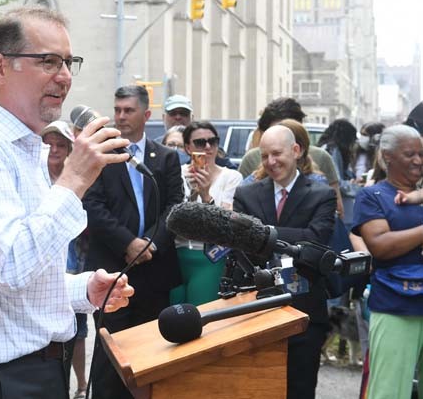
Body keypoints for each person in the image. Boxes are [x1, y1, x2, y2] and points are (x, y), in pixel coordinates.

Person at [0, 7, 134, 399]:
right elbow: (12, 266)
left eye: (69, 62)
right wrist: (73, 180)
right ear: (0, 67)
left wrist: (83, 290)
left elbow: (17, 286)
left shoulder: (23, 149)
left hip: (34, 374)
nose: (65, 76)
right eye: (48, 61)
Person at [83, 85, 184, 399]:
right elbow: (93, 207)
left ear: (147, 114)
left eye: (128, 110)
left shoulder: (165, 158)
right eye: (117, 110)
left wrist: (151, 242)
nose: (121, 116)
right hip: (113, 272)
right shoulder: (102, 156)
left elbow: (175, 207)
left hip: (154, 272)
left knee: (152, 356)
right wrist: (128, 243)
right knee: (109, 359)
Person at [233, 125, 336, 399]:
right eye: (264, 156)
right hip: (257, 309)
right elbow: (242, 245)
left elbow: (316, 246)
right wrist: (294, 239)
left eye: (276, 154)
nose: (270, 162)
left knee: (300, 390)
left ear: (296, 150)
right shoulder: (247, 194)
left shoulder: (322, 195)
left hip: (305, 311)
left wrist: (263, 232)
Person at [353, 124, 423, 399]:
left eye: (421, 153)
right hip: (396, 305)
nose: (418, 160)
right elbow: (380, 246)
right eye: (409, 154)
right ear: (388, 156)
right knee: (389, 391)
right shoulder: (372, 196)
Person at [41, 120, 89, 399]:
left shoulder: (78, 177)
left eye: (61, 144)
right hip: (44, 262)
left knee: (78, 329)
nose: (54, 149)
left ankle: (81, 385)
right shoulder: (33, 174)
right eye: (49, 143)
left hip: (75, 259)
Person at [172, 121, 243, 306]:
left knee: (201, 316)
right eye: (200, 142)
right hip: (176, 256)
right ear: (188, 147)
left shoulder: (231, 177)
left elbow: (226, 223)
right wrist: (191, 194)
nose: (208, 147)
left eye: (213, 141)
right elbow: (170, 218)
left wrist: (205, 195)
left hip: (210, 257)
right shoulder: (176, 174)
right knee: (174, 317)